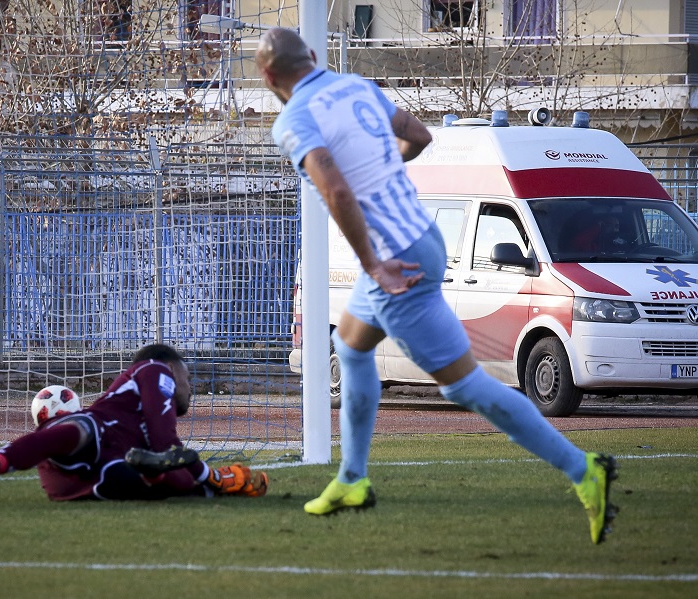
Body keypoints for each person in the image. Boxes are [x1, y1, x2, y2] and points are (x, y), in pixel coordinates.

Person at [255, 27, 617, 543]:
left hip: (396, 261)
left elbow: (335, 190)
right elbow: (420, 136)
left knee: (464, 385)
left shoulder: (294, 119)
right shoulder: (357, 87)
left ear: (269, 77)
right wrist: (381, 170)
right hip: (421, 236)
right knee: (350, 347)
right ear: (312, 56)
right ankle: (353, 479)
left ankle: (585, 470)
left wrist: (374, 263)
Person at [0, 343, 268, 501]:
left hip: (69, 483)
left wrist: (207, 488)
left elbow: (169, 456)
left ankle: (153, 474)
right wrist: (212, 476)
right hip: (95, 431)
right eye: (188, 378)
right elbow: (166, 442)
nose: (191, 388)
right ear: (172, 370)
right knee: (74, 433)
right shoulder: (155, 369)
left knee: (162, 478)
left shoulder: (143, 419)